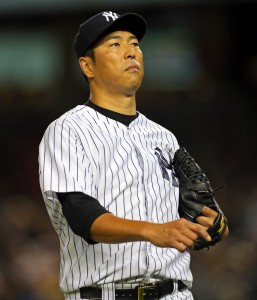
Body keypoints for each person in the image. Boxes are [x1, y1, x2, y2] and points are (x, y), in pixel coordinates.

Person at [39, 11, 228, 300]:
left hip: (175, 293)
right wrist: (153, 231)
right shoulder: (68, 129)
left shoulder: (164, 138)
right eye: (115, 44)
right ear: (87, 65)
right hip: (104, 293)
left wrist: (210, 224)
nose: (130, 52)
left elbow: (193, 214)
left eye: (135, 44)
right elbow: (80, 213)